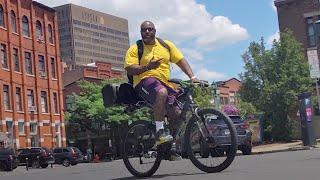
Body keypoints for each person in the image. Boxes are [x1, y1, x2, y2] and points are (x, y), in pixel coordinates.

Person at [124, 21, 200, 160]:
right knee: (161, 92)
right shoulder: (135, 48)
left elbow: (180, 60)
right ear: (140, 32)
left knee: (177, 113)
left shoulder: (166, 45)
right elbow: (129, 68)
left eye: (150, 29)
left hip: (165, 83)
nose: (147, 32)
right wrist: (148, 67)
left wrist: (192, 77)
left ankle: (167, 147)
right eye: (144, 30)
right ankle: (159, 133)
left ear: (155, 31)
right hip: (143, 82)